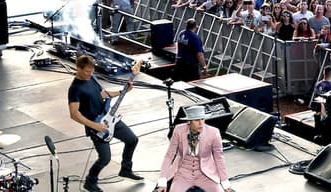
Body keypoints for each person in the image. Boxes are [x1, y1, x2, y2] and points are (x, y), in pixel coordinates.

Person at [68, 55, 142, 192]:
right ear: (78, 68)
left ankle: (126, 170)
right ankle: (90, 182)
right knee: (105, 158)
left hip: (108, 118)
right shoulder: (75, 89)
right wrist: (94, 125)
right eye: (86, 72)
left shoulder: (92, 78)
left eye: (91, 71)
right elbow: (74, 114)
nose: (89, 74)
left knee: (132, 140)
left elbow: (103, 94)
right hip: (95, 127)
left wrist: (122, 91)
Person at [157, 105, 234, 192]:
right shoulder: (179, 130)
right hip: (182, 174)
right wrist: (162, 180)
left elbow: (219, 158)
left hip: (205, 175)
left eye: (202, 119)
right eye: (197, 120)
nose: (201, 123)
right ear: (189, 121)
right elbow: (169, 156)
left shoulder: (213, 132)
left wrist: (225, 181)